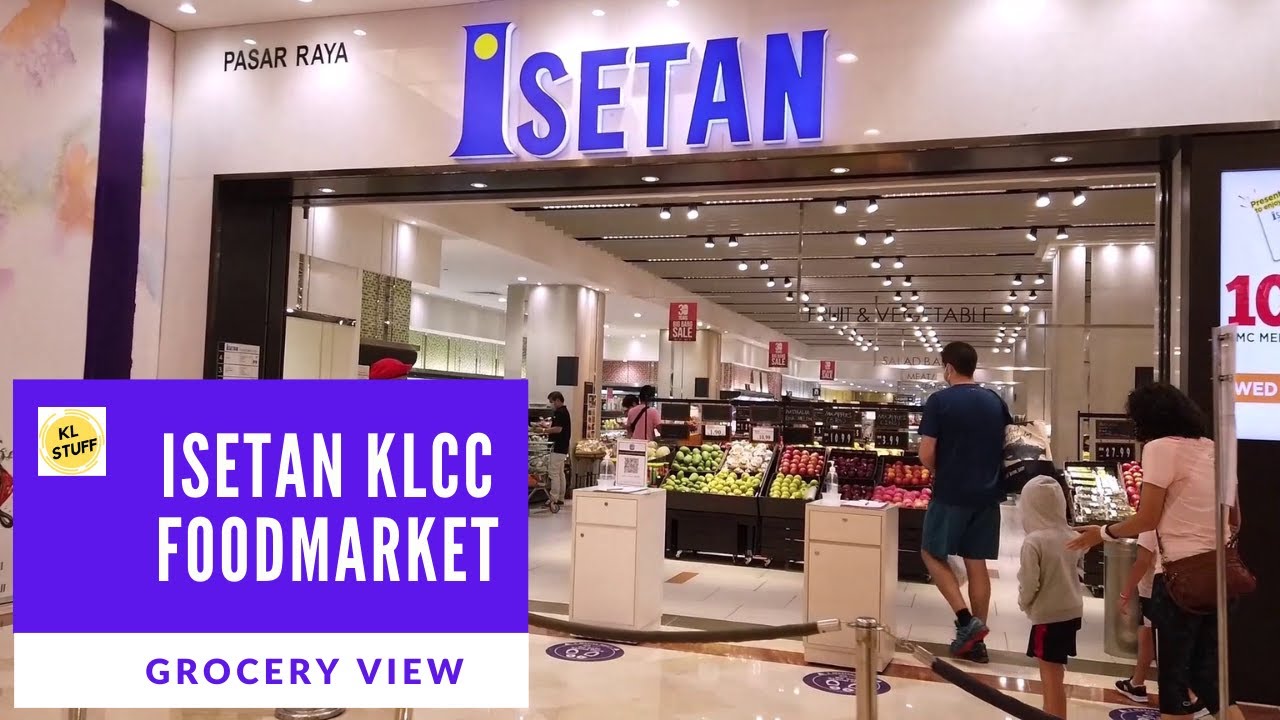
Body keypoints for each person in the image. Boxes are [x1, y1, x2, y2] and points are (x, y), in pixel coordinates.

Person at [1069, 382, 1244, 720]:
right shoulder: (1213, 449)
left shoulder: (1160, 448)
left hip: (1180, 578)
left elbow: (1147, 517)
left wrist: (1102, 533)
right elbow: (1233, 516)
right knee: (1208, 678)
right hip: (1221, 575)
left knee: (1174, 681)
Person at [918, 341, 1012, 662]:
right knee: (976, 562)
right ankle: (977, 643)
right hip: (989, 493)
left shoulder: (940, 401)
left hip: (951, 492)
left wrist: (941, 471)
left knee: (931, 552)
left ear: (948, 368)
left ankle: (965, 620)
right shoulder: (994, 401)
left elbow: (926, 453)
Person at [1017, 475, 1084, 720]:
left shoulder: (1034, 541)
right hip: (1072, 612)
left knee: (1050, 676)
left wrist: (1024, 602)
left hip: (1048, 616)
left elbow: (1029, 581)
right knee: (1057, 672)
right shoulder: (1071, 535)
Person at [1114, 530, 1160, 705]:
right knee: (1146, 633)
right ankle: (1137, 682)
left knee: (1157, 639)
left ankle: (1190, 696)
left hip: (1155, 591)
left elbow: (1142, 562)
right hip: (1178, 587)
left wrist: (1125, 593)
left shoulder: (1151, 526)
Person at [546, 391, 571, 509]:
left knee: (554, 473)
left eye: (551, 402)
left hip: (557, 447)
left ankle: (553, 498)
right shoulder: (565, 411)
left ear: (557, 400)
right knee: (560, 473)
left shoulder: (560, 412)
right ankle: (560, 497)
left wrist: (544, 431)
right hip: (563, 447)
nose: (551, 404)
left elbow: (558, 429)